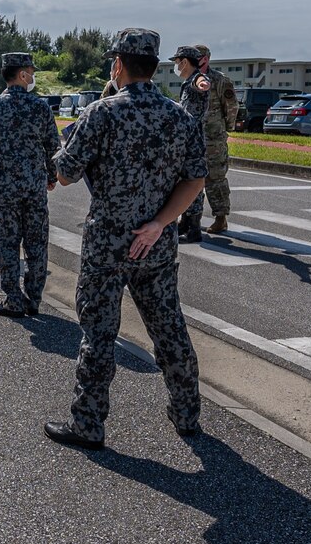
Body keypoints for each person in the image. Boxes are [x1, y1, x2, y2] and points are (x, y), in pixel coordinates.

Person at [44, 28, 206, 450]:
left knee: (98, 334)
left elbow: (64, 173)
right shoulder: (180, 117)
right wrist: (159, 223)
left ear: (118, 65)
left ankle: (88, 423)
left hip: (108, 243)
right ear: (154, 68)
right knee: (169, 327)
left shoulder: (102, 112)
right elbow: (195, 178)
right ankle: (187, 414)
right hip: (156, 241)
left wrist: (69, 140)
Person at [0, 52, 60, 317]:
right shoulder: (41, 106)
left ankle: (13, 298)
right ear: (22, 75)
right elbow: (53, 147)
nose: (32, 77)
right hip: (34, 186)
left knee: (8, 244)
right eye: (31, 72)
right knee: (36, 243)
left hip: (6, 187)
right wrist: (52, 176)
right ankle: (33, 299)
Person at [169, 45, 211, 243]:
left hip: (192, 140)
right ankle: (186, 222)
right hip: (186, 138)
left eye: (177, 62)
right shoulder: (187, 82)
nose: (176, 66)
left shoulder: (195, 79)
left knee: (192, 180)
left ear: (184, 62)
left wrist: (203, 83)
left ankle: (194, 228)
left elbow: (202, 81)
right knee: (184, 179)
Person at [196, 43, 238, 233]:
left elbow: (231, 107)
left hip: (213, 138)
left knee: (215, 178)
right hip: (194, 137)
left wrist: (224, 129)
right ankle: (190, 218)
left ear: (205, 59)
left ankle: (221, 218)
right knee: (191, 178)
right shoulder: (190, 80)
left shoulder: (220, 80)